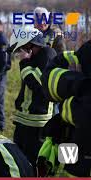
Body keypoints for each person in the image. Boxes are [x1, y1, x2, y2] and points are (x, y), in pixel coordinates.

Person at [37, 40, 91, 177]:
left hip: (79, 138)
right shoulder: (84, 53)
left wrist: (67, 106)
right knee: (65, 171)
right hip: (72, 137)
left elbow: (85, 114)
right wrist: (79, 82)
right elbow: (48, 79)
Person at [9, 26, 56, 170]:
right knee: (19, 157)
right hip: (25, 118)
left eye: (21, 49)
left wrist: (24, 62)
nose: (20, 53)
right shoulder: (35, 56)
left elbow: (36, 83)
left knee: (33, 161)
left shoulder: (47, 54)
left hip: (37, 121)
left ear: (29, 44)